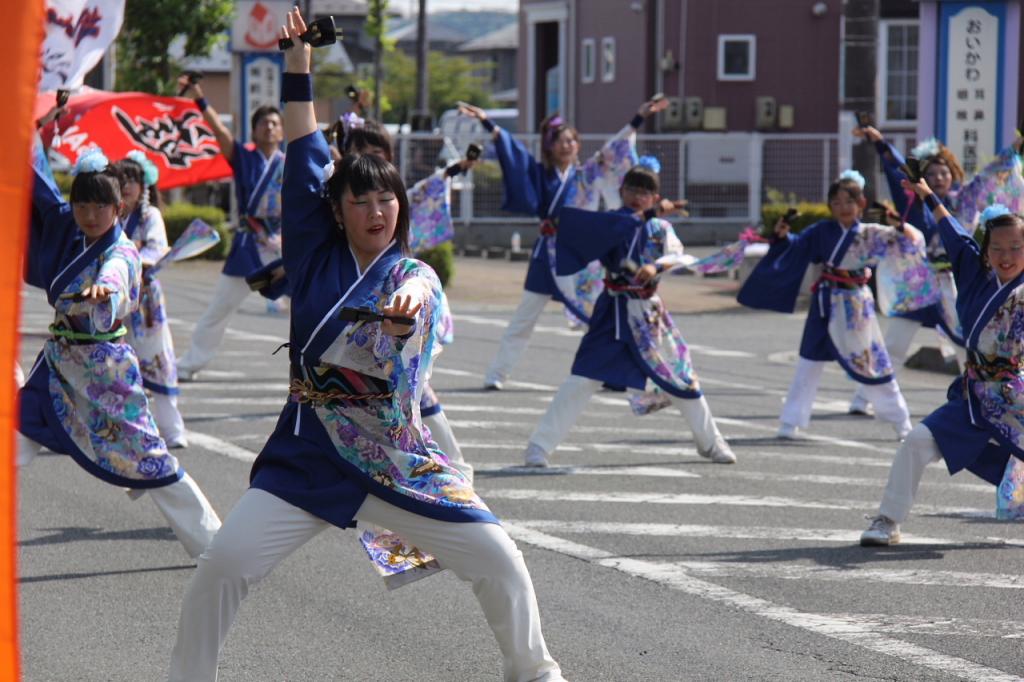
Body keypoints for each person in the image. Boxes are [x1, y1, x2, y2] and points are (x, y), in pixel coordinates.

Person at [167, 12, 564, 681]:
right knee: (223, 566)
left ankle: (536, 673)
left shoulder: (413, 274)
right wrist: (298, 64)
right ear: (336, 209)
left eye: (387, 199)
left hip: (394, 456)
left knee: (499, 559)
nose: (377, 211)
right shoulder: (313, 256)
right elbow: (304, 146)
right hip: (309, 453)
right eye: (362, 200)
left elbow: (418, 297)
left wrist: (402, 315)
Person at [20, 144, 220, 559]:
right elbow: (40, 188)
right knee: (15, 432)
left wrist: (106, 289)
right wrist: (26, 136)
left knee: (151, 459)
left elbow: (117, 273)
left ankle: (215, 547)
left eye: (100, 206)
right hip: (58, 365)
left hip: (105, 372)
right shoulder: (69, 231)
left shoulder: (122, 251)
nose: (90, 215)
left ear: (119, 208)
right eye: (81, 205)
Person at [523, 159, 737, 467]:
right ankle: (539, 446)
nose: (638, 196)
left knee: (680, 377)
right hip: (612, 311)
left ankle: (712, 442)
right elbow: (614, 228)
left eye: (645, 192)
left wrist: (655, 267)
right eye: (632, 190)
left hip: (649, 315)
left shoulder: (661, 228)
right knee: (583, 378)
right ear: (622, 191)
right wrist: (649, 213)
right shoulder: (613, 221)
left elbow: (677, 255)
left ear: (655, 196)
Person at [459, 97, 666, 390]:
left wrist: (638, 119)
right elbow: (514, 152)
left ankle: (612, 373)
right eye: (560, 141)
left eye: (571, 140)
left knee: (595, 317)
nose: (567, 145)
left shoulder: (587, 174)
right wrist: (486, 121)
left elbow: (613, 149)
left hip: (580, 256)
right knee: (524, 318)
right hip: (548, 256)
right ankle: (497, 374)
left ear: (578, 144)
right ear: (550, 146)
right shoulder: (541, 174)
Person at [860, 181, 1024, 545]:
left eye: (1016, 247)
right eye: (997, 248)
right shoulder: (974, 277)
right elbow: (953, 231)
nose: (1007, 256)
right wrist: (927, 195)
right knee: (917, 441)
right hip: (974, 395)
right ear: (985, 252)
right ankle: (888, 520)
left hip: (1015, 395)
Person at [738, 170, 926, 441]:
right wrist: (782, 236)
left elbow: (913, 241)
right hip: (825, 304)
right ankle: (790, 421)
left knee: (873, 363)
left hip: (855, 306)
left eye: (849, 201)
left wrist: (900, 226)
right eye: (836, 203)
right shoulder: (821, 231)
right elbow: (797, 246)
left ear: (861, 204)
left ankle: (901, 421)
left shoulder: (871, 233)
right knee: (808, 362)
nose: (843, 207)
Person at [174, 77, 287, 381]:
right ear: (254, 130)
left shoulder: (290, 164)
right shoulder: (244, 158)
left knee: (310, 303)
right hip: (248, 247)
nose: (269, 127)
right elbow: (219, 131)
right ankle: (187, 365)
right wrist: (199, 98)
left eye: (275, 123)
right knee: (220, 308)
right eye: (263, 123)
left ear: (282, 131)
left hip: (283, 250)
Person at [111, 152, 187, 447]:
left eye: (133, 179)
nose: (127, 185)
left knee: (158, 358)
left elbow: (157, 248)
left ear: (144, 185)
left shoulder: (149, 215)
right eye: (121, 180)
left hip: (145, 301)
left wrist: (130, 262)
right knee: (116, 361)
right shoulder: (110, 215)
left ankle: (173, 430)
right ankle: (123, 428)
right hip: (115, 298)